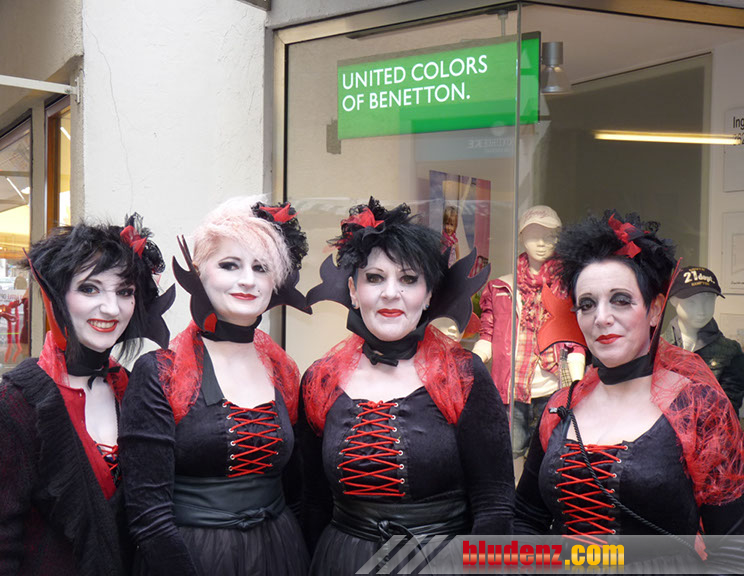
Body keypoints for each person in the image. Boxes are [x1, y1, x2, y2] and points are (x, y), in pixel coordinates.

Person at [514, 212, 744, 572]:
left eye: (621, 300)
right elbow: (526, 517)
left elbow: (733, 556)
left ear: (654, 310)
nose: (601, 318)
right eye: (587, 304)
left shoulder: (699, 409)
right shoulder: (560, 407)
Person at [301, 197, 514, 575]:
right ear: (353, 290)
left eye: (409, 279)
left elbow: (494, 503)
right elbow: (312, 501)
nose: (390, 293)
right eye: (374, 278)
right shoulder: (322, 379)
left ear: (429, 294)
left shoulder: (463, 375)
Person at [119, 197, 310, 576]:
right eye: (229, 265)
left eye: (261, 267)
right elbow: (147, 513)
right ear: (199, 271)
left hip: (281, 554)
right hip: (192, 559)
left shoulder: (283, 369)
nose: (248, 280)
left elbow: (297, 491)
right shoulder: (159, 372)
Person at [0, 215, 173, 576]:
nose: (111, 309)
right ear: (56, 295)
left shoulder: (133, 388)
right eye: (90, 289)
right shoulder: (16, 403)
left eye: (124, 292)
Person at [473, 205, 584, 457]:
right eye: (534, 236)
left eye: (549, 236)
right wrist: (472, 362)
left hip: (552, 390)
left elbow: (575, 340)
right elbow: (487, 335)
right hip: (512, 392)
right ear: (522, 238)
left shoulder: (568, 288)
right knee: (510, 454)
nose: (542, 243)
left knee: (548, 456)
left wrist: (575, 386)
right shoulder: (501, 288)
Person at [665, 266, 744, 416]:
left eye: (708, 301)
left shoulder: (730, 351)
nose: (701, 311)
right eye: (692, 302)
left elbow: (729, 410)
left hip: (710, 428)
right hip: (662, 428)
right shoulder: (656, 348)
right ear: (673, 300)